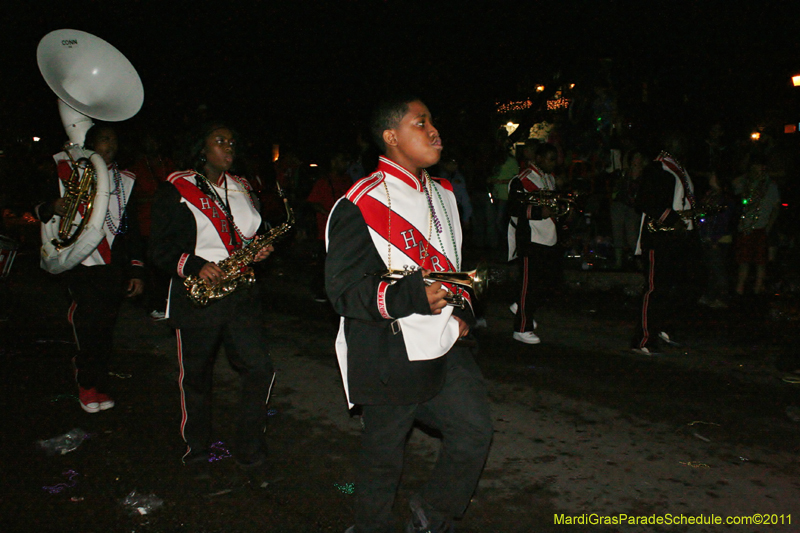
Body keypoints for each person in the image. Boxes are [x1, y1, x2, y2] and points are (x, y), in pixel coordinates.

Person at [325, 96, 493, 533]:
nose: (434, 130)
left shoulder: (444, 194)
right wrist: (410, 296)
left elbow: (455, 266)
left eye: (433, 121)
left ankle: (433, 513)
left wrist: (463, 314)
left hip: (444, 342)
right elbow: (342, 290)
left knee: (474, 431)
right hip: (388, 348)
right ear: (391, 136)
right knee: (384, 458)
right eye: (421, 123)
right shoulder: (359, 202)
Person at [149, 123, 276, 480]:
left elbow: (255, 232)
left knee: (260, 369)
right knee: (197, 377)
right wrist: (193, 265)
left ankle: (249, 447)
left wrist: (262, 246)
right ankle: (196, 451)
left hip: (242, 295)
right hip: (198, 296)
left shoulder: (243, 187)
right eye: (219, 141)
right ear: (201, 149)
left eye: (232, 141)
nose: (229, 146)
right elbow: (158, 248)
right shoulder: (176, 188)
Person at [34, 124, 145, 413]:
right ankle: (87, 381)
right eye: (104, 138)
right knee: (88, 322)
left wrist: (136, 269)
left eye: (114, 140)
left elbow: (129, 230)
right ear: (91, 143)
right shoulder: (68, 171)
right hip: (79, 260)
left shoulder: (126, 180)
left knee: (105, 327)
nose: (110, 144)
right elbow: (37, 206)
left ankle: (98, 380)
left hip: (113, 265)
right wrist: (53, 206)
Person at [630, 133, 702, 355]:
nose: (683, 145)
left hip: (678, 238)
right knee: (655, 288)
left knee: (681, 285)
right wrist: (672, 219)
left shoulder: (677, 168)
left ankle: (662, 328)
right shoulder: (658, 168)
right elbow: (644, 200)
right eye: (678, 141)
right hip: (659, 238)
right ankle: (642, 339)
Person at [507, 140, 562, 344]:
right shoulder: (522, 180)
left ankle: (521, 307)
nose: (553, 163)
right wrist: (540, 212)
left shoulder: (549, 178)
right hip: (530, 239)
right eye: (550, 159)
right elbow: (513, 208)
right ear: (538, 159)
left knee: (547, 283)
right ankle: (522, 328)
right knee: (528, 284)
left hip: (548, 237)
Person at [306, 150, 352, 302]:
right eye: (341, 161)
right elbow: (312, 202)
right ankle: (319, 290)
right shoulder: (324, 181)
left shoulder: (347, 179)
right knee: (325, 263)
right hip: (326, 230)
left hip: (343, 229)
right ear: (333, 162)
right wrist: (330, 214)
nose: (345, 164)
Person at [732, 152, 780, 296]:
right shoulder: (746, 183)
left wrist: (768, 227)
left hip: (761, 227)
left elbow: (776, 208)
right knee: (743, 260)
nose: (757, 168)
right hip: (745, 227)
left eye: (759, 166)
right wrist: (747, 174)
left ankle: (757, 288)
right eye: (754, 166)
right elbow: (734, 184)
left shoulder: (770, 186)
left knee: (760, 261)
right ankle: (739, 288)